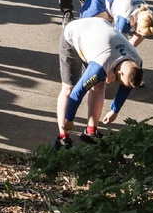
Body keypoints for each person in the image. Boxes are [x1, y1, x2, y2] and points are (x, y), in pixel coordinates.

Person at [56, 17, 144, 149]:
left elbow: (128, 86)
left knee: (99, 85)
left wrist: (114, 110)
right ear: (119, 73)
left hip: (99, 36)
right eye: (122, 82)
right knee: (69, 88)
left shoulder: (136, 61)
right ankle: (63, 137)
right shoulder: (100, 67)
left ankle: (91, 131)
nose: (123, 86)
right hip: (74, 35)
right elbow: (76, 94)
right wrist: (70, 120)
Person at [79, 0, 153, 47]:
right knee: (85, 27)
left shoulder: (147, 14)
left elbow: (134, 41)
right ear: (136, 23)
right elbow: (115, 45)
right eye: (138, 31)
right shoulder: (123, 21)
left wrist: (129, 50)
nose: (139, 34)